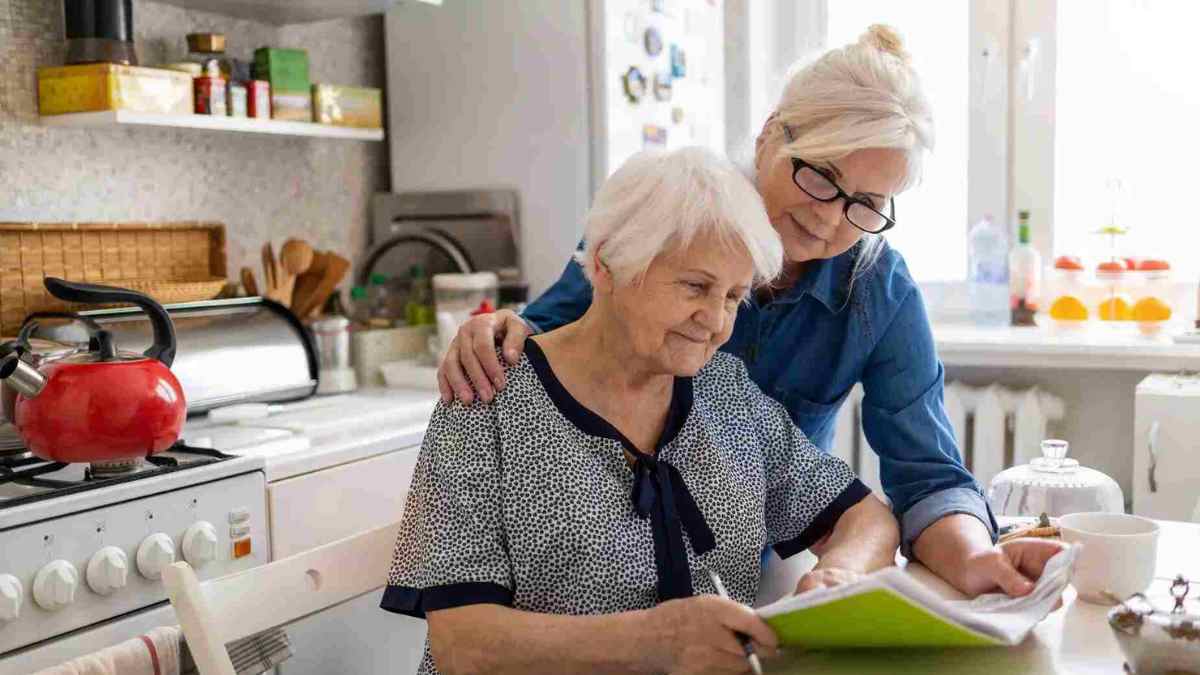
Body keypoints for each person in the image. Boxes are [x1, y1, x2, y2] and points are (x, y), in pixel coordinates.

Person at [436, 25, 1065, 599]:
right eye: (821, 175)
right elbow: (548, 339)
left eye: (865, 202)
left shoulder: (878, 292)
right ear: (771, 134)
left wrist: (976, 557)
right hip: (598, 570)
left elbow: (926, 476)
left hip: (749, 568)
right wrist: (496, 331)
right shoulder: (667, 217)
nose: (826, 216)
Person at [383, 147, 899, 674]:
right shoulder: (488, 396)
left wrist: (839, 576)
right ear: (607, 264)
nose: (715, 323)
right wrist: (658, 639)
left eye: (733, 297)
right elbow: (462, 644)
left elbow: (866, 518)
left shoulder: (727, 393)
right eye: (695, 286)